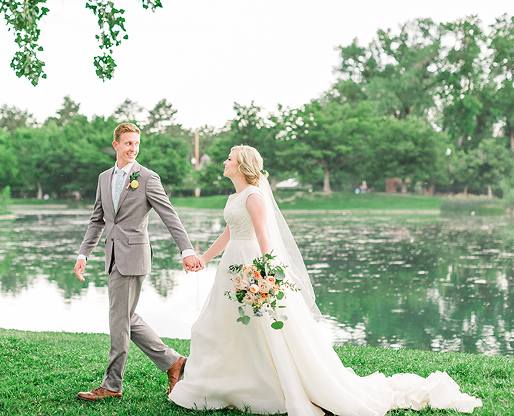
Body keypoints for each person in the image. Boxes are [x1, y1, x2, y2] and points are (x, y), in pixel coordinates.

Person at [169, 145, 482, 416]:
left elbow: (264, 235)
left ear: (243, 166)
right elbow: (229, 233)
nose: (224, 162)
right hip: (230, 267)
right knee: (223, 326)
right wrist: (203, 259)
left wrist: (265, 271)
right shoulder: (235, 196)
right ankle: (225, 384)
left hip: (252, 264)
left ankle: (268, 387)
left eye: (229, 158)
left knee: (263, 328)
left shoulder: (254, 196)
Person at [73, 123, 204, 401]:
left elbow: (169, 215)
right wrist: (84, 254)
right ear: (116, 145)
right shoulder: (103, 178)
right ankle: (174, 362)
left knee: (119, 320)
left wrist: (186, 250)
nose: (133, 148)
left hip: (134, 257)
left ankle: (112, 385)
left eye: (137, 144)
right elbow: (98, 219)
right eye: (128, 143)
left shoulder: (147, 177)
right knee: (125, 318)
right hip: (112, 258)